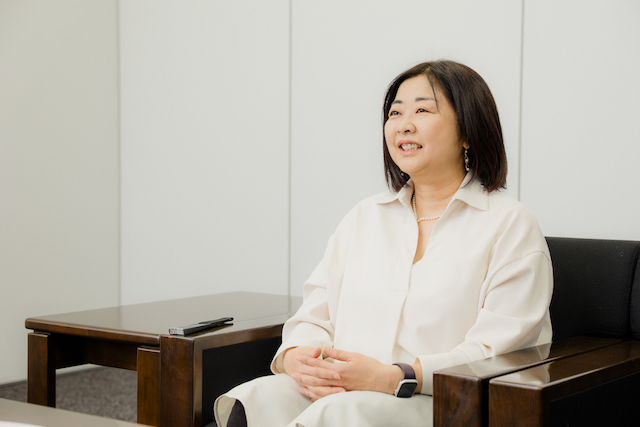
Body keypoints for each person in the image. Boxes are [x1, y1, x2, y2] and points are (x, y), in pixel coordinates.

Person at [213, 60, 553, 427]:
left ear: (468, 132)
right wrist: (299, 356)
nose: (404, 124)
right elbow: (314, 316)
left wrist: (392, 376)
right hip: (346, 389)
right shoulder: (364, 216)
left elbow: (496, 351)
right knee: (256, 398)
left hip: (442, 402)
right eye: (395, 113)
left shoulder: (509, 224)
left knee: (337, 414)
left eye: (422, 110)